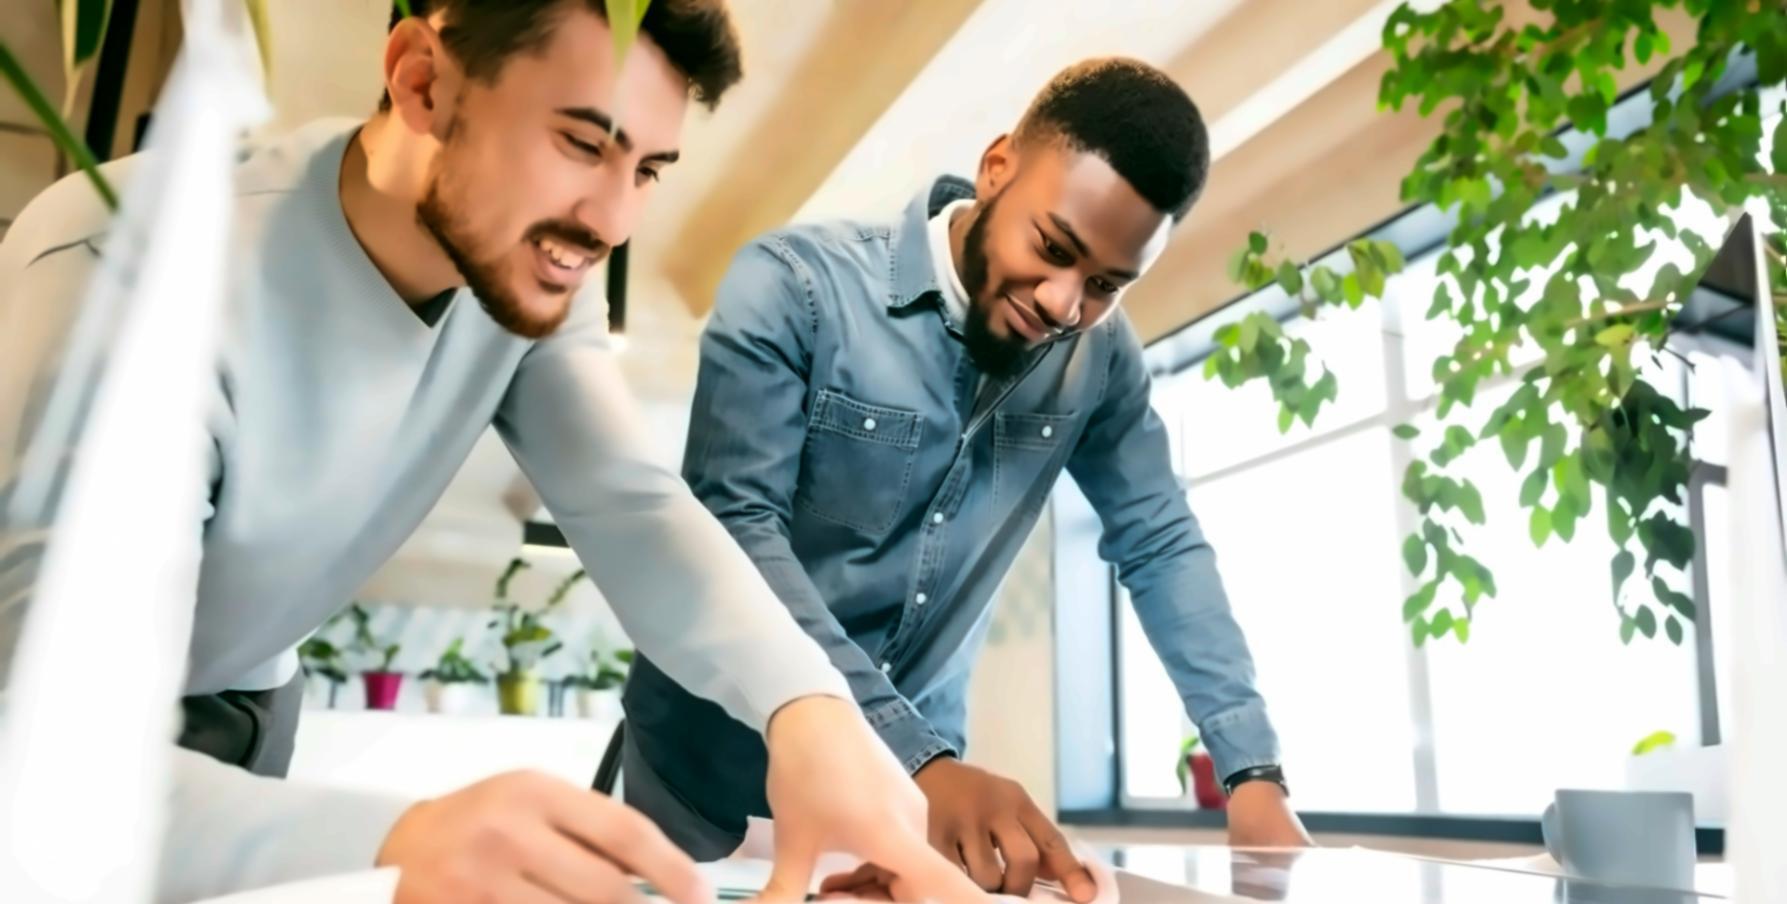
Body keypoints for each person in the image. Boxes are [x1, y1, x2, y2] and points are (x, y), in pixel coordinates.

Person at [0, 3, 983, 903]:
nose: (611, 219)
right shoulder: (121, 271)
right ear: (421, 79)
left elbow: (630, 501)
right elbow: (43, 766)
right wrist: (409, 833)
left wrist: (806, 710)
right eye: (579, 142)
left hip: (252, 705)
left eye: (645, 170)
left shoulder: (527, 270)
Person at [624, 57, 1314, 897]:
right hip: (707, 788)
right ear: (996, 170)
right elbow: (737, 530)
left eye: (1104, 285)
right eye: (1053, 249)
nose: (1064, 305)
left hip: (911, 796)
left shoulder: (1099, 362)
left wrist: (1252, 774)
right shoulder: (795, 287)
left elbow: (1160, 542)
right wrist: (919, 758)